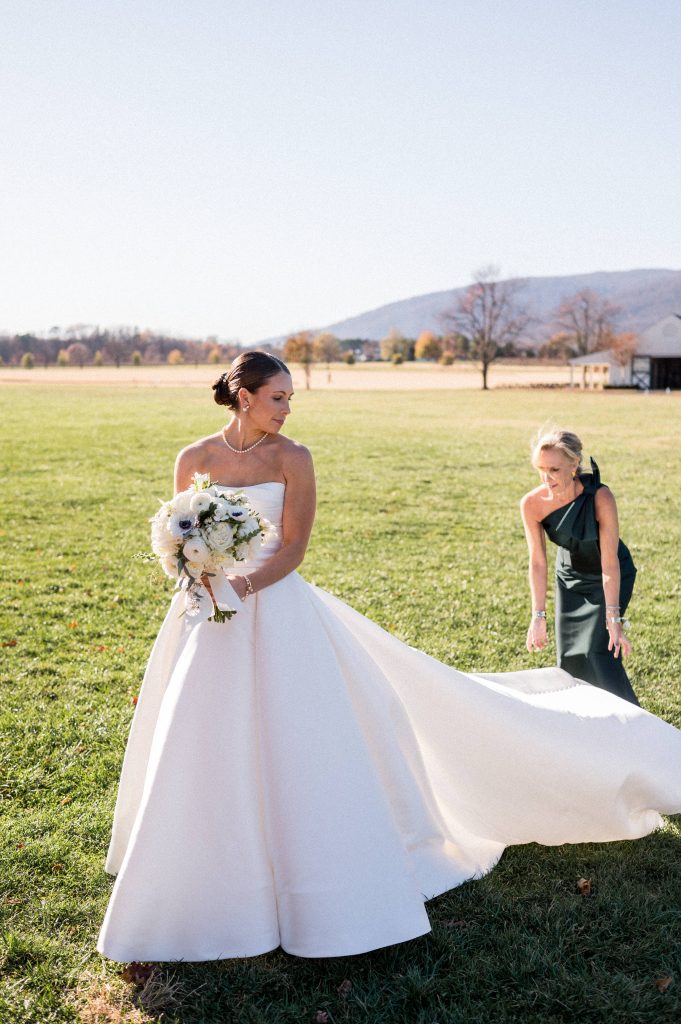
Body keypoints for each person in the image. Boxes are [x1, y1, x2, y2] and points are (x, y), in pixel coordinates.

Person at [98, 354, 681, 963]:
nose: (288, 409)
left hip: (271, 606)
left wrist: (243, 587)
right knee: (199, 730)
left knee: (292, 735)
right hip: (204, 612)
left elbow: (294, 546)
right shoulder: (193, 459)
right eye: (278, 397)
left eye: (291, 398)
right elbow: (183, 533)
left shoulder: (295, 458)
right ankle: (188, 861)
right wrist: (197, 575)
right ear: (243, 396)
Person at [520, 428, 638, 705]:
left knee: (599, 651)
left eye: (554, 469)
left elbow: (609, 561)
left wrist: (614, 618)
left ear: (574, 464)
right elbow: (537, 561)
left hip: (610, 575)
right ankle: (581, 726)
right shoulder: (531, 504)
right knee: (570, 657)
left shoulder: (600, 497)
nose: (546, 478)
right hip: (570, 579)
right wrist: (538, 616)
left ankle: (630, 725)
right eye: (541, 469)